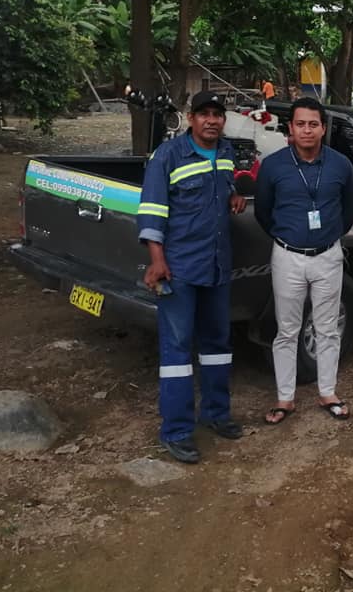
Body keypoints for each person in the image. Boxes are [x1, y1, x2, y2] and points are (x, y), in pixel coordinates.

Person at [137, 90, 248, 463]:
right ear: (191, 118)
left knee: (217, 344)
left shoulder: (226, 153)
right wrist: (157, 261)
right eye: (204, 114)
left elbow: (223, 187)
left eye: (217, 114)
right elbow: (152, 211)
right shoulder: (168, 156)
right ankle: (177, 430)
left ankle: (216, 414)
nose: (212, 120)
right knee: (177, 350)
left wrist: (233, 196)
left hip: (216, 266)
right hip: (179, 269)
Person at [254, 97, 353, 424]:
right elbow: (263, 212)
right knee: (287, 330)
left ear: (323, 128)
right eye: (300, 124)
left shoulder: (341, 165)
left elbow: (349, 209)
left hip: (328, 256)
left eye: (313, 124)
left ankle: (328, 392)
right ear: (291, 128)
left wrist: (327, 236)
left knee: (327, 329)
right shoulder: (273, 166)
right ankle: (285, 398)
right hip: (287, 256)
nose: (307, 130)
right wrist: (288, 237)